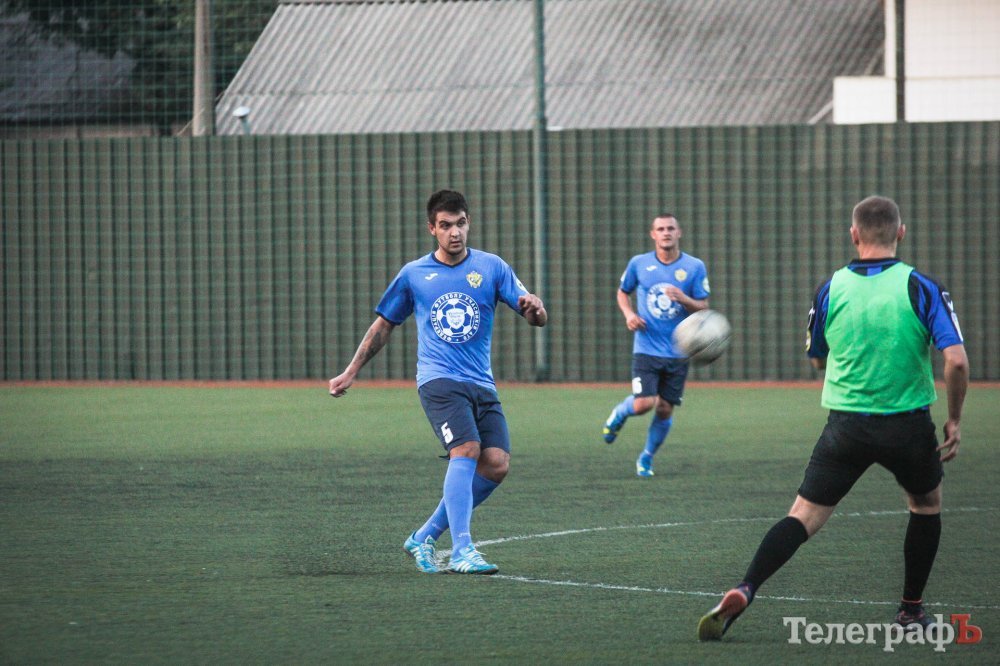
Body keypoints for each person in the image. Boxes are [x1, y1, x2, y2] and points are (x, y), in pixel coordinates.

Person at [698, 195, 968, 640]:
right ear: (900, 233)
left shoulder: (831, 288)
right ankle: (910, 611)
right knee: (925, 506)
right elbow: (955, 360)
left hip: (846, 428)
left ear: (854, 235)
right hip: (907, 426)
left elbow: (817, 358)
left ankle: (746, 587)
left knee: (802, 517)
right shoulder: (921, 287)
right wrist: (954, 419)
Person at [329, 190, 547, 575]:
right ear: (432, 228)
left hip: (481, 383)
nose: (454, 232)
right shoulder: (414, 274)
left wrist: (536, 309)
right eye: (445, 226)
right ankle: (463, 549)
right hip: (438, 380)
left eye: (460, 223)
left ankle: (424, 536)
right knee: (466, 449)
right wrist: (351, 370)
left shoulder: (492, 267)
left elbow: (533, 312)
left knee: (496, 464)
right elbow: (383, 325)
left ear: (469, 222)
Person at [601, 213, 710, 477]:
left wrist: (684, 299)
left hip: (679, 351)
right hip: (646, 348)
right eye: (660, 229)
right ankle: (620, 413)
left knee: (664, 408)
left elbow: (704, 307)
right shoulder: (639, 263)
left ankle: (646, 458)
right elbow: (623, 292)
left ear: (679, 232)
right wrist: (629, 315)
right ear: (653, 234)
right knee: (644, 404)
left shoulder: (694, 267)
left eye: (670, 228)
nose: (666, 233)